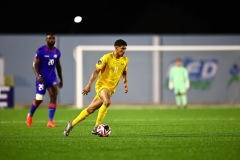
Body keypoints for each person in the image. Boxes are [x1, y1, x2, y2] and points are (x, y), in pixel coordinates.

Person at [63, 39, 128, 136]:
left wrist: (125, 84)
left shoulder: (125, 60)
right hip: (102, 86)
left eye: (125, 49)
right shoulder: (106, 58)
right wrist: (88, 85)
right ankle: (97, 127)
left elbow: (124, 72)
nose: (124, 51)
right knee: (107, 102)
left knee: (90, 109)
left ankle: (71, 124)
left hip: (111, 89)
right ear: (116, 48)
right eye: (122, 49)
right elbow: (96, 71)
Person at [26, 32, 63, 127]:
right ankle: (30, 115)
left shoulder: (57, 52)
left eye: (53, 38)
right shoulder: (41, 51)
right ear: (46, 39)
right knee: (39, 99)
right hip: (42, 78)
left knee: (54, 95)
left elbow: (58, 66)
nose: (52, 40)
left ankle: (50, 121)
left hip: (52, 78)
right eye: (50, 38)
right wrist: (38, 76)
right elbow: (34, 64)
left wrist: (61, 79)